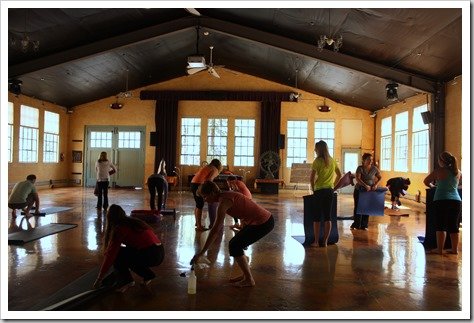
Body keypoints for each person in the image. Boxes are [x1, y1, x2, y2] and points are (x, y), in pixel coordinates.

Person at [190, 181, 274, 287]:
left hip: (264, 222)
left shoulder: (224, 202)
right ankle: (245, 275)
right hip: (258, 221)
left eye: (205, 197)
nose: (205, 200)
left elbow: (215, 230)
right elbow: (245, 208)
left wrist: (202, 252)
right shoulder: (225, 196)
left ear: (212, 193)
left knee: (234, 245)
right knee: (236, 244)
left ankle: (249, 279)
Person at [93, 204, 165, 292]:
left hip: (150, 254)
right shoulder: (133, 222)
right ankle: (148, 275)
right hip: (159, 252)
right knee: (128, 255)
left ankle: (127, 281)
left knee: (119, 254)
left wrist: (99, 279)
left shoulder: (120, 229)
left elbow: (111, 255)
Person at [423, 151, 462, 255]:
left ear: (441, 161)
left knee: (441, 225)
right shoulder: (458, 172)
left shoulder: (438, 171)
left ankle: (439, 249)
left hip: (441, 199)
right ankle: (454, 250)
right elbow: (459, 184)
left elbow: (426, 181)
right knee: (454, 226)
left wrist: (433, 186)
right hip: (456, 201)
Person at [309, 140, 342, 247]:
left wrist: (313, 190)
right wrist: (333, 186)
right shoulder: (332, 161)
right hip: (329, 191)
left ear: (319, 149)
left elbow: (311, 179)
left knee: (317, 218)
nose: (314, 150)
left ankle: (316, 242)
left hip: (319, 191)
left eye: (315, 148)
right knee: (328, 217)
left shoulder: (317, 161)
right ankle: (326, 241)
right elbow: (339, 175)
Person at [350, 153, 382, 230]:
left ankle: (364, 225)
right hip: (359, 190)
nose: (371, 161)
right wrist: (365, 185)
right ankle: (356, 224)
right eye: (368, 159)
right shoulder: (360, 168)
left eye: (371, 159)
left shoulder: (374, 168)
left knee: (367, 207)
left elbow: (380, 177)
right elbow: (358, 178)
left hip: (369, 191)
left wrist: (376, 184)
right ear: (364, 160)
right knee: (358, 207)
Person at [190, 159, 222, 231]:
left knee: (198, 204)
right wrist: (215, 189)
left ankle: (197, 223)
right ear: (219, 165)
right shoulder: (215, 169)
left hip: (193, 183)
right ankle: (199, 226)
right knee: (200, 205)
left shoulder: (207, 167)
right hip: (198, 184)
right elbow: (209, 180)